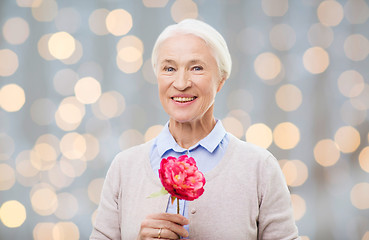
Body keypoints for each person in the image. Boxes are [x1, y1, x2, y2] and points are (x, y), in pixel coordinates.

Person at [90, 18, 300, 240]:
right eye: (169, 68)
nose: (181, 83)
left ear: (221, 80)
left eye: (197, 68)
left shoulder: (260, 168)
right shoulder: (124, 168)